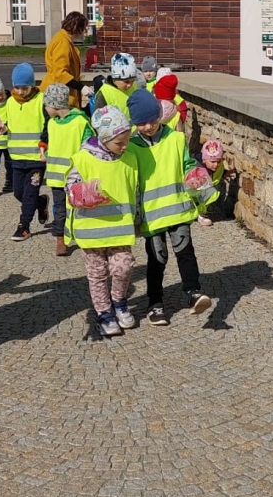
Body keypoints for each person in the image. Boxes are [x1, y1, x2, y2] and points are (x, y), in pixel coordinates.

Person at [127, 88, 213, 326]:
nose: (148, 127)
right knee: (157, 259)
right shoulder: (131, 146)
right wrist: (133, 217)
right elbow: (130, 182)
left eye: (152, 120)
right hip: (151, 216)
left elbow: (188, 165)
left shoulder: (176, 139)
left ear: (159, 116)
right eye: (142, 123)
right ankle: (155, 303)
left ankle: (193, 292)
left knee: (185, 252)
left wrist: (197, 180)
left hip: (178, 209)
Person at [65, 105, 141, 337]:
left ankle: (119, 302)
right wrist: (85, 193)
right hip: (92, 231)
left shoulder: (129, 158)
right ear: (104, 138)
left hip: (120, 229)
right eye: (119, 143)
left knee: (123, 267)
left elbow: (135, 190)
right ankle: (104, 313)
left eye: (126, 140)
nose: (125, 146)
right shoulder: (83, 159)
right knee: (98, 274)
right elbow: (70, 189)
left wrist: (138, 218)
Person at [41, 83, 90, 257]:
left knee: (80, 208)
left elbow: (88, 145)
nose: (45, 109)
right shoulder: (52, 124)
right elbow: (55, 145)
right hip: (56, 178)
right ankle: (60, 239)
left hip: (76, 176)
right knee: (60, 209)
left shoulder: (80, 122)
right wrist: (46, 153)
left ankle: (84, 237)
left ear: (54, 105)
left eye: (46, 105)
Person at [3, 62, 50, 241]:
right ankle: (41, 202)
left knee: (30, 193)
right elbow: (7, 124)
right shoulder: (10, 102)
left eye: (25, 88)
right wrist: (0, 128)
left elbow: (48, 125)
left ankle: (24, 226)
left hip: (37, 158)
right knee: (18, 193)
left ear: (32, 85)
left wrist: (44, 144)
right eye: (17, 88)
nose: (21, 92)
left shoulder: (41, 100)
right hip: (16, 157)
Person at [40, 11, 90, 108]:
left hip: (58, 93)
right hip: (57, 96)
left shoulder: (62, 39)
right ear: (76, 27)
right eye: (83, 28)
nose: (84, 32)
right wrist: (80, 87)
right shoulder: (62, 42)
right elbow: (60, 73)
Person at [195, 139, 236, 226]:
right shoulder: (196, 168)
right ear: (204, 160)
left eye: (218, 161)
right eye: (212, 161)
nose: (216, 165)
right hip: (190, 191)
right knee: (208, 193)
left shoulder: (218, 167)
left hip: (201, 190)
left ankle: (200, 213)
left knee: (210, 192)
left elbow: (217, 173)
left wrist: (225, 173)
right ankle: (198, 214)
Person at [91, 53, 138, 118]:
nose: (130, 85)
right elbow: (97, 118)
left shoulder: (134, 86)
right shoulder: (104, 94)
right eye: (126, 82)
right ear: (115, 78)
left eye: (132, 81)